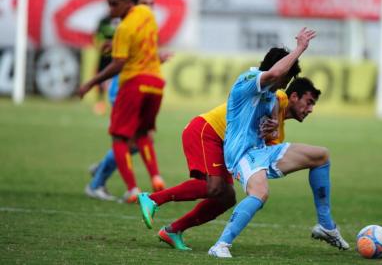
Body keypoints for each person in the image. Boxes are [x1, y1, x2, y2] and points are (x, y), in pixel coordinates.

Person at [136, 76, 324, 251]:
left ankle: (172, 231)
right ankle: (153, 199)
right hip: (207, 130)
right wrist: (274, 118)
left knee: (225, 197)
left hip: (226, 147)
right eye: (308, 103)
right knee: (213, 187)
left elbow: (260, 155)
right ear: (293, 96)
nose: (310, 110)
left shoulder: (279, 132)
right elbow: (273, 94)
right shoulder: (280, 97)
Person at [208, 28, 350, 258]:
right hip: (241, 154)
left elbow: (272, 109)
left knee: (320, 156)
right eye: (286, 79)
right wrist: (300, 49)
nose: (284, 85)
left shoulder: (271, 94)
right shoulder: (248, 79)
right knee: (260, 193)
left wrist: (272, 123)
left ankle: (326, 225)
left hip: (262, 151)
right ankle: (220, 245)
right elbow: (274, 75)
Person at [79, 0, 165, 203]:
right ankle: (155, 176)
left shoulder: (124, 28)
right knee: (141, 136)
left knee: (122, 138)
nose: (110, 8)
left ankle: (116, 185)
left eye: (114, 3)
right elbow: (143, 46)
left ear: (129, 2)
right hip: (155, 84)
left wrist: (90, 83)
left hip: (132, 85)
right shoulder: (146, 17)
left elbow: (119, 63)